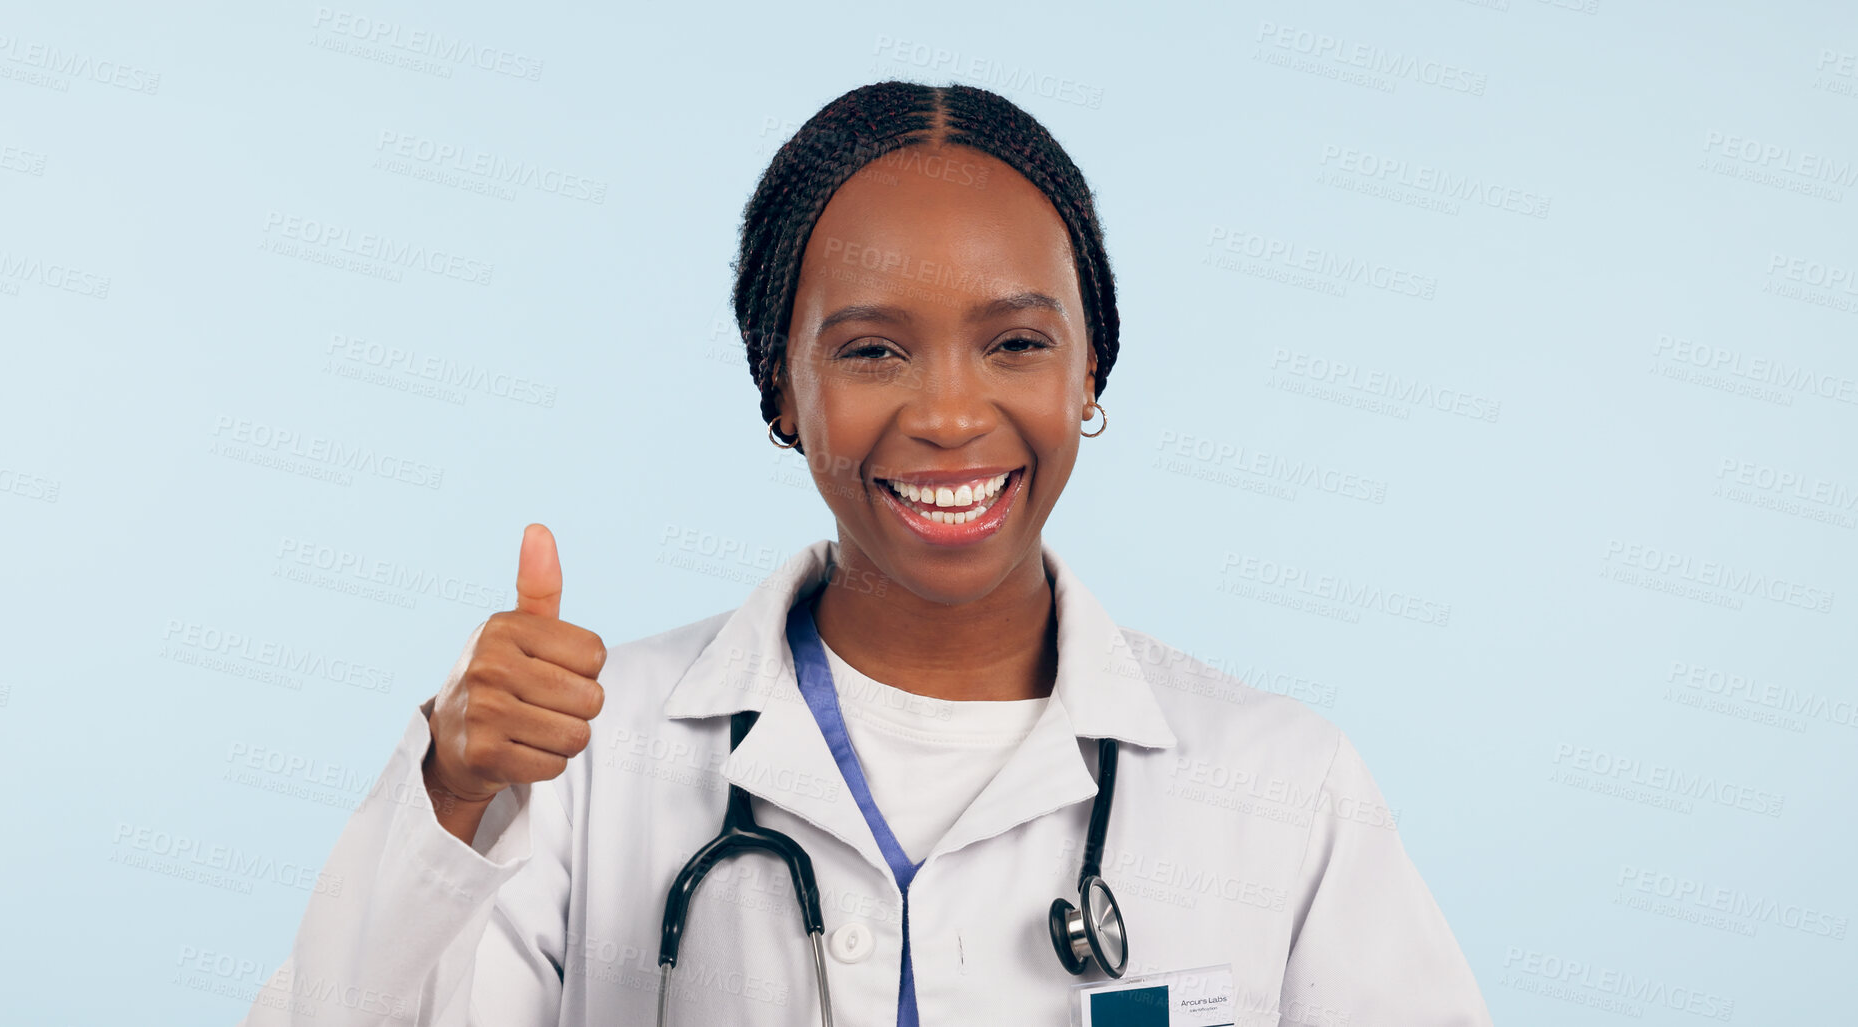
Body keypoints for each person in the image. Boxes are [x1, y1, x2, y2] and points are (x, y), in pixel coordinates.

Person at [239, 81, 1492, 1027]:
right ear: (781, 390)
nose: (949, 415)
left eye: (1014, 343)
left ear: (1091, 368)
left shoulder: (1281, 785)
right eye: (872, 350)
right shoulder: (583, 760)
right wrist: (452, 795)